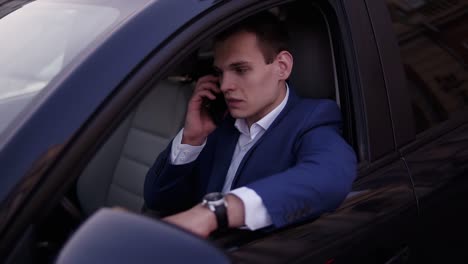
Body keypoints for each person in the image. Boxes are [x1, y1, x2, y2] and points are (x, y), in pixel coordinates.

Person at [143, 12, 356, 238]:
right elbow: (157, 199)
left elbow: (330, 175)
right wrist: (192, 138)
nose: (225, 85)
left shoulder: (312, 118)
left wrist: (217, 212)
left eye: (240, 69)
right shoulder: (219, 125)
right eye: (219, 73)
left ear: (282, 67)